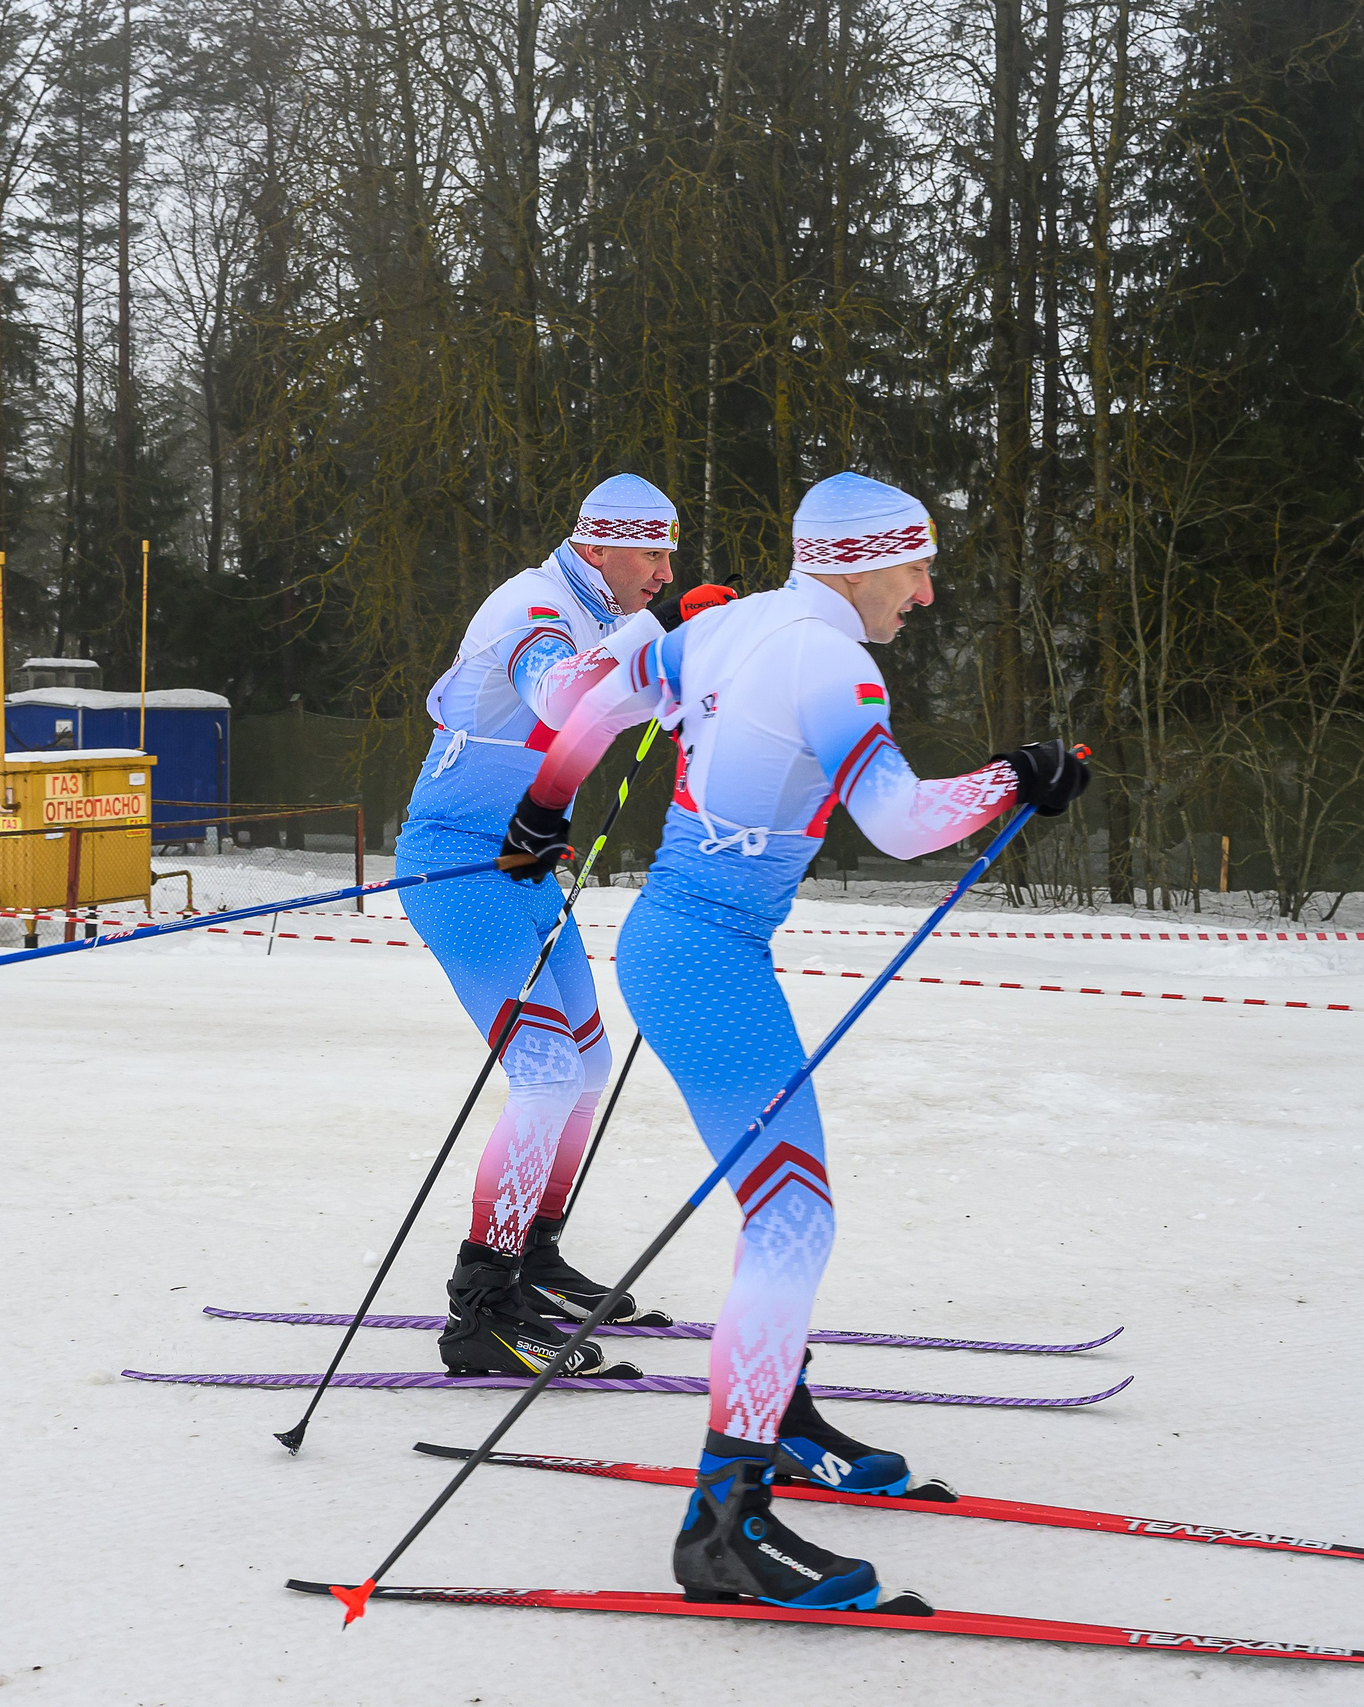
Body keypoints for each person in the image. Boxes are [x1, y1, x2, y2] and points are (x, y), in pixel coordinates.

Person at [496, 471, 1088, 1605]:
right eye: (914, 569)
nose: (922, 595)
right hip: (705, 957)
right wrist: (1020, 774)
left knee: (782, 1210)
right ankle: (725, 1521)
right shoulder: (830, 662)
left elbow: (600, 701)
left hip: (689, 945)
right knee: (791, 1224)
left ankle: (788, 1417)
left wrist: (542, 810)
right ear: (862, 561)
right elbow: (903, 824)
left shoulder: (729, 624)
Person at [396, 474, 680, 1378]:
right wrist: (658, 646)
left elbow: (642, 702)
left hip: (520, 863)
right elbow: (564, 698)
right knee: (547, 1071)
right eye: (651, 552)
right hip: (456, 863)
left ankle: (535, 1260)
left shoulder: (594, 608)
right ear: (597, 546)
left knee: (585, 1064)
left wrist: (699, 663)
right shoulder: (537, 609)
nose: (664, 573)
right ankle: (479, 1308)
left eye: (670, 553)